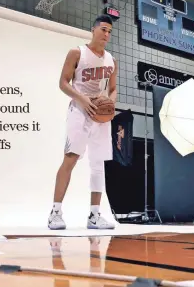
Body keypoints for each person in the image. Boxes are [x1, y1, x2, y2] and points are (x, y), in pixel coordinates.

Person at [48, 15, 117, 230]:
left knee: (98, 165)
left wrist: (110, 103)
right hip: (79, 110)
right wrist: (83, 99)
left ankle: (95, 215)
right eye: (103, 29)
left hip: (100, 115)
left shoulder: (112, 60)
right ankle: (55, 212)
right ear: (93, 29)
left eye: (109, 32)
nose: (106, 34)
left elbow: (113, 89)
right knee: (70, 159)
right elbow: (63, 82)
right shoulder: (77, 52)